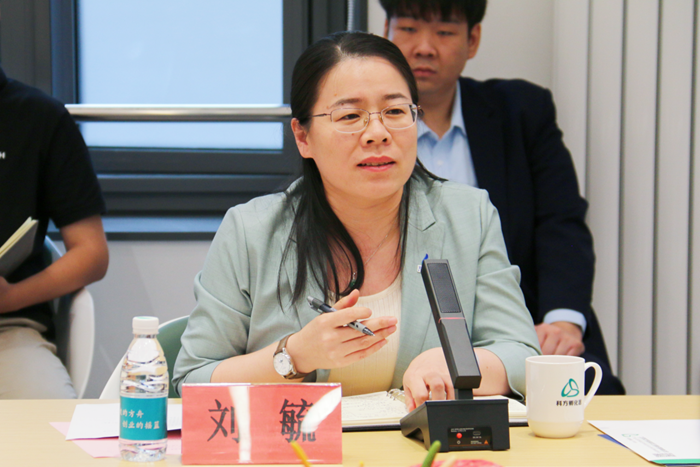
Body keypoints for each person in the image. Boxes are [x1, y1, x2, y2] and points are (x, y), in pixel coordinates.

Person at [173, 31, 540, 410]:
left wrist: (458, 364)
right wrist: (295, 355)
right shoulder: (250, 231)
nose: (377, 134)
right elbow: (193, 380)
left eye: (395, 112)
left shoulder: (469, 215)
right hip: (299, 443)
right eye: (350, 116)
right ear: (303, 137)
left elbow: (521, 355)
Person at [379, 0, 624, 394]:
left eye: (444, 32)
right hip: (406, 336)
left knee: (595, 393)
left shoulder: (522, 112)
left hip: (518, 322)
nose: (424, 47)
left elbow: (560, 222)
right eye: (408, 29)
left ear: (473, 39)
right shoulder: (367, 132)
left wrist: (562, 322)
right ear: (386, 32)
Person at [0, 65, 109, 399]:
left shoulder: (38, 116)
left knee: (50, 423)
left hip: (9, 329)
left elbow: (91, 253)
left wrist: (9, 297)